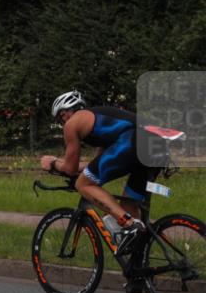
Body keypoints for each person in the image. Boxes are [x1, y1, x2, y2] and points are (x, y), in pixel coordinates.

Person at [40, 90, 152, 263]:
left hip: (134, 142)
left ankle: (129, 224)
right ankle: (139, 266)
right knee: (128, 205)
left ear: (67, 112)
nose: (62, 123)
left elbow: (70, 169)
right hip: (155, 144)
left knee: (83, 184)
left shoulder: (72, 124)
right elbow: (96, 164)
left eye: (61, 117)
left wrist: (53, 163)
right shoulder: (98, 119)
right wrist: (74, 168)